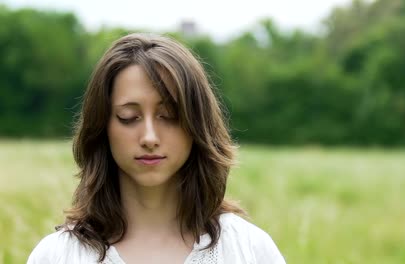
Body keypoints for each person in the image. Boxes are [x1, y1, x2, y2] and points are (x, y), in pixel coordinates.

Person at [27, 33, 286, 264]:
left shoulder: (249, 249)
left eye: (169, 115)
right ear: (102, 127)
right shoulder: (57, 255)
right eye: (129, 117)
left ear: (196, 124)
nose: (149, 137)